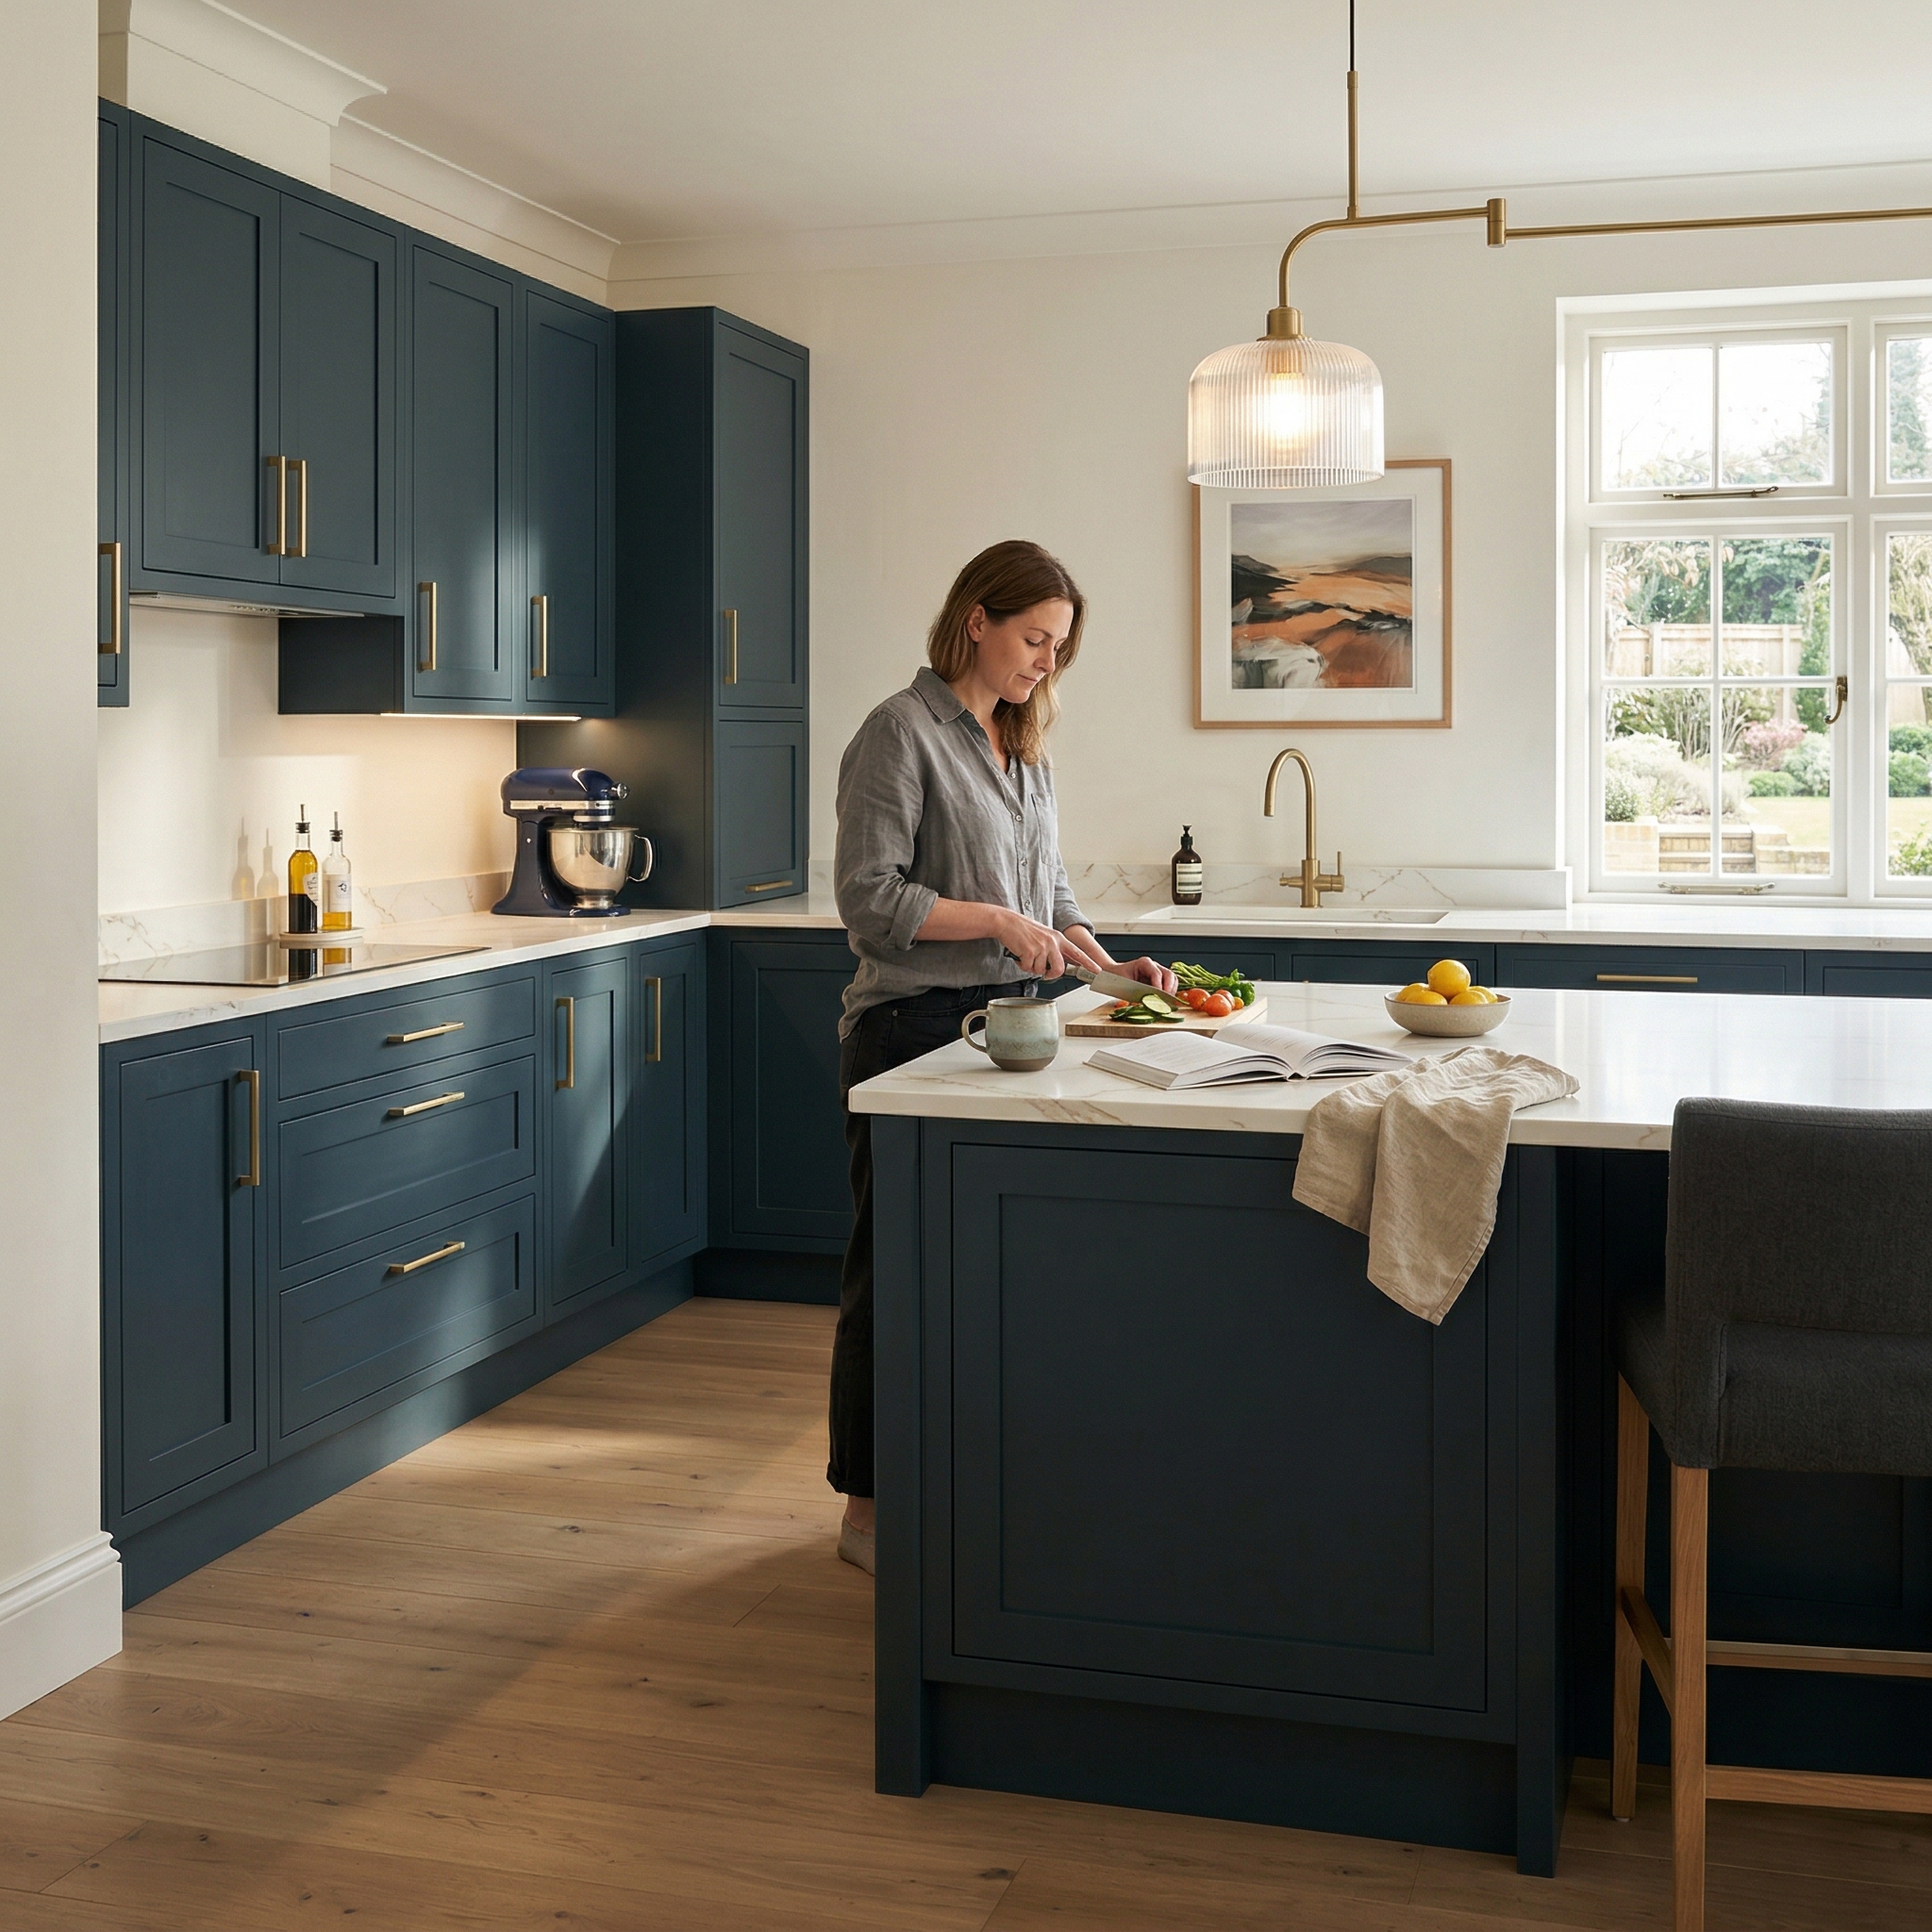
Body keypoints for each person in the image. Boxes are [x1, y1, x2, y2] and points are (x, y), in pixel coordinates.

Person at [828, 540, 1176, 1574]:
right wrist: (991, 917)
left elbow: (1052, 903)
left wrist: (1118, 974)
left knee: (992, 1278)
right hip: (909, 1036)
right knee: (890, 1276)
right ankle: (868, 1511)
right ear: (975, 619)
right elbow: (868, 899)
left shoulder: (1023, 747)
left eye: (1058, 647)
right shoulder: (898, 733)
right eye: (1034, 639)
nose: (1044, 663)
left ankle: (973, 1485)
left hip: (1011, 1035)